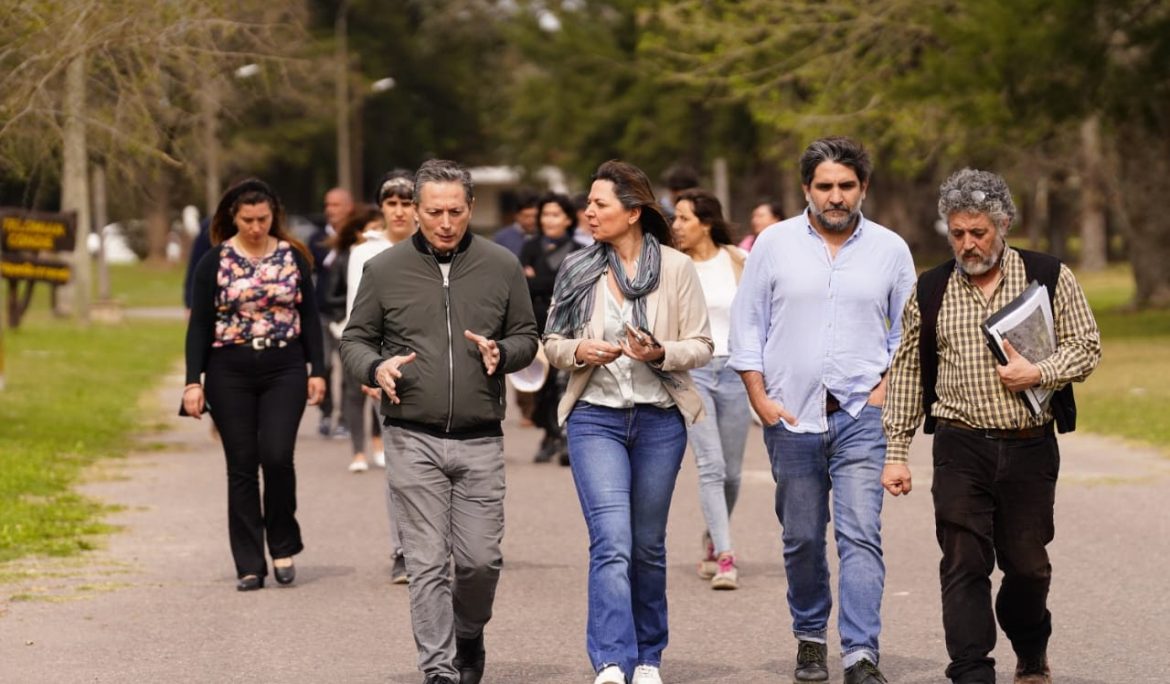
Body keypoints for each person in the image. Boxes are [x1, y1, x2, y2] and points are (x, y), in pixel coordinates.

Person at [881, 169, 1101, 684]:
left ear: (1003, 224)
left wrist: (1039, 371)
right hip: (960, 447)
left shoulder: (1048, 276)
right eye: (957, 233)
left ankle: (1030, 643)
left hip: (1029, 446)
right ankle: (971, 668)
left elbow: (1087, 345)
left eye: (978, 232)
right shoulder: (931, 289)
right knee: (962, 562)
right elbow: (909, 371)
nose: (967, 243)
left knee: (1027, 567)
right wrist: (896, 450)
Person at [340, 159, 538, 684]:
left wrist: (505, 352)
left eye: (455, 211)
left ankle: (468, 632)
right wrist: (374, 365)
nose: (445, 222)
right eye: (434, 212)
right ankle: (439, 669)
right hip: (411, 434)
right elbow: (354, 339)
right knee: (427, 564)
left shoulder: (501, 266)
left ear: (470, 208)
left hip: (479, 438)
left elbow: (526, 335)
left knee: (479, 563)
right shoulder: (383, 270)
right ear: (416, 212)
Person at [729, 137, 916, 684]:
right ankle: (810, 638)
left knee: (861, 534)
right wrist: (760, 398)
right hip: (792, 417)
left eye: (847, 186)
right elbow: (747, 326)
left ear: (863, 188)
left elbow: (909, 333)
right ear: (807, 188)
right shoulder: (773, 243)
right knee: (803, 536)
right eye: (825, 186)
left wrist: (885, 389)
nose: (836, 197)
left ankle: (861, 654)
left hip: (862, 414)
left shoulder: (890, 249)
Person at [544, 160, 713, 684]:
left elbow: (703, 345)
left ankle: (648, 657)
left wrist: (660, 352)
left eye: (600, 204)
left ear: (633, 211)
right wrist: (580, 349)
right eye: (588, 204)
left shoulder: (677, 269)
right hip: (595, 419)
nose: (589, 212)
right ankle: (613, 659)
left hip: (660, 421)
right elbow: (550, 344)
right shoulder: (577, 269)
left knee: (647, 545)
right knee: (612, 539)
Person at [181, 178, 326, 591]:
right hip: (231, 368)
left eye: (263, 219)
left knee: (277, 456)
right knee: (242, 465)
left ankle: (282, 543)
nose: (256, 227)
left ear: (273, 216)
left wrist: (318, 370)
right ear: (233, 218)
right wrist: (194, 381)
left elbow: (311, 317)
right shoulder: (214, 262)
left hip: (285, 365)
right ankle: (249, 562)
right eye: (248, 220)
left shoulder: (293, 257)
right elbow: (200, 327)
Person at [670, 188, 749, 591]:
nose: (676, 225)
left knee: (733, 473)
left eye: (683, 218)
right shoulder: (673, 266)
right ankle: (725, 555)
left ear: (705, 222)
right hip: (695, 372)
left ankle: (713, 536)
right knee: (711, 466)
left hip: (735, 371)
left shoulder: (739, 260)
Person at [344, 169, 418, 584]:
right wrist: (367, 366)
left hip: (433, 366)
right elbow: (359, 316)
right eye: (392, 203)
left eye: (407, 203)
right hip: (387, 369)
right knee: (399, 464)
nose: (400, 211)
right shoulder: (364, 254)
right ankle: (403, 549)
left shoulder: (435, 246)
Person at [520, 192, 583, 465]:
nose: (549, 220)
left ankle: (565, 436)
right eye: (545, 214)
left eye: (555, 214)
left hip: (568, 324)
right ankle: (548, 433)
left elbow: (573, 287)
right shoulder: (530, 247)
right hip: (537, 322)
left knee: (563, 381)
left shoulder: (578, 250)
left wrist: (541, 281)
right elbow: (523, 285)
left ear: (568, 218)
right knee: (541, 384)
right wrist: (549, 282)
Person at [326, 203, 383, 473]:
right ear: (360, 232)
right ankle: (358, 451)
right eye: (373, 230)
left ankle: (378, 444)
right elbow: (329, 295)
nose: (377, 234)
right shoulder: (343, 258)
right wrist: (344, 317)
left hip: (381, 334)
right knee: (354, 391)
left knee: (379, 388)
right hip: (349, 332)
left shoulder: (388, 255)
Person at [315, 186, 355, 438]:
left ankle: (346, 418)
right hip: (321, 312)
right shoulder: (316, 239)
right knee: (324, 365)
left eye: (336, 205)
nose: (331, 210)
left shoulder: (357, 239)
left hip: (348, 312)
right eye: (327, 205)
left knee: (348, 369)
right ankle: (326, 412)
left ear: (349, 207)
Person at [492, 188, 539, 257]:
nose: (532, 220)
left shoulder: (543, 236)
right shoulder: (502, 238)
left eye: (535, 216)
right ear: (517, 215)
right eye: (527, 216)